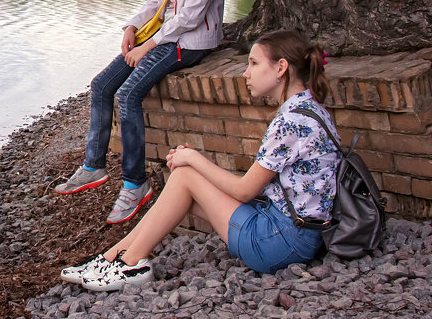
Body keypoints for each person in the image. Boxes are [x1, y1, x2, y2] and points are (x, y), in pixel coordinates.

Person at [61, 29, 340, 291]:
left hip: (281, 242)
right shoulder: (309, 108)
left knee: (185, 176)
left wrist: (193, 159)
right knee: (185, 189)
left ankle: (129, 263)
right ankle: (114, 257)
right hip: (297, 233)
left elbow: (245, 190)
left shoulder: (292, 122)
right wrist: (193, 162)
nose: (246, 73)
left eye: (254, 63)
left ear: (281, 68)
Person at [55, 0, 227, 224]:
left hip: (190, 43)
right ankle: (93, 166)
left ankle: (135, 185)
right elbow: (155, 3)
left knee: (129, 93)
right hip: (163, 37)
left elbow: (190, 17)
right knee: (102, 85)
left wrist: (149, 46)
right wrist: (132, 28)